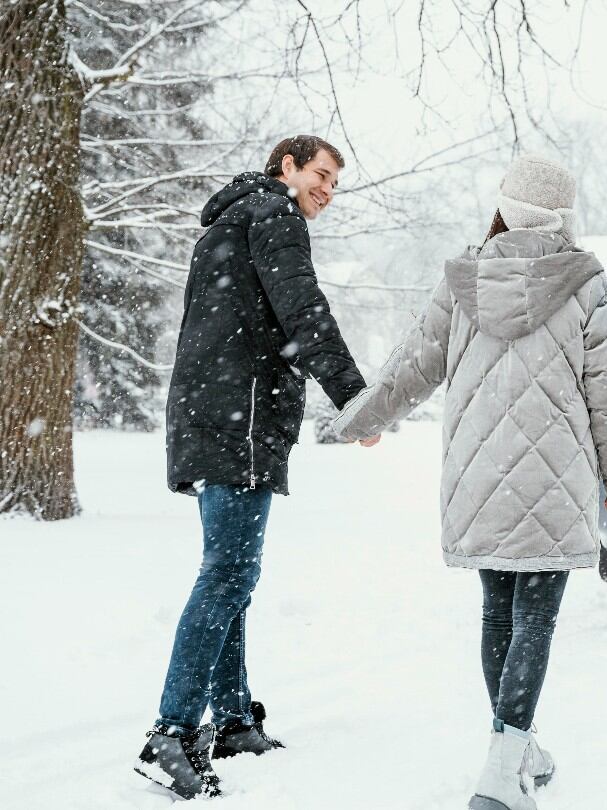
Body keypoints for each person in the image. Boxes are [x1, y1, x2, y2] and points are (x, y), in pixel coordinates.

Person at [332, 154, 607, 810]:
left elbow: (412, 364)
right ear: (561, 217)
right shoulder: (585, 283)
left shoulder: (463, 278)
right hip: (555, 476)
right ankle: (503, 773)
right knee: (534, 613)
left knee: (498, 607)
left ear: (505, 206)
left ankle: (517, 746)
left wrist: (364, 417)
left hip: (478, 473)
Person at [135, 135, 371, 799]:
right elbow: (305, 315)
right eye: (321, 174)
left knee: (227, 570)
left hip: (211, 419)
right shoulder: (276, 216)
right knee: (231, 573)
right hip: (238, 420)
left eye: (334, 182)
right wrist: (357, 398)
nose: (327, 189)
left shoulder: (230, 223)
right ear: (287, 167)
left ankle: (233, 721)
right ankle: (172, 732)